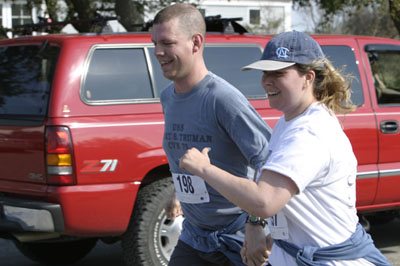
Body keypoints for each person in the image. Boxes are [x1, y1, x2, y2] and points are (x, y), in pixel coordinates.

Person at [179, 30, 393, 266]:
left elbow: (265, 201)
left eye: (278, 73)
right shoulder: (289, 121)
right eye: (265, 73)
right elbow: (286, 200)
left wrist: (204, 169)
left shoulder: (309, 133)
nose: (266, 81)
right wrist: (262, 231)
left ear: (308, 78)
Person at [151, 3, 272, 266]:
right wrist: (178, 191)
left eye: (167, 43)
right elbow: (185, 151)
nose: (158, 52)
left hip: (236, 240)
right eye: (155, 43)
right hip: (194, 237)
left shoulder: (223, 99)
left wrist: (256, 222)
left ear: (195, 43)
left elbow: (271, 163)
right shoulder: (167, 97)